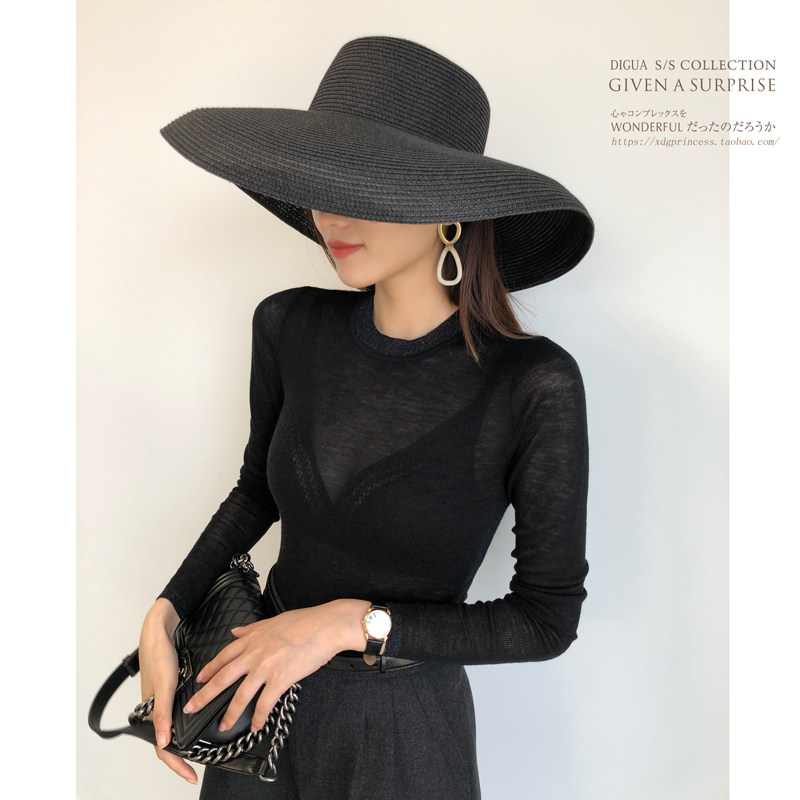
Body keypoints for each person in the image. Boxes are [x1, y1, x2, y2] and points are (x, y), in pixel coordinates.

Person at [137, 35, 594, 799]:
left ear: (449, 208)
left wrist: (352, 623)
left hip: (401, 737)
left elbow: (545, 620)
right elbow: (257, 492)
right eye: (321, 183)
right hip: (254, 703)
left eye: (367, 187)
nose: (330, 214)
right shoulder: (289, 325)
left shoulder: (532, 382)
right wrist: (166, 611)